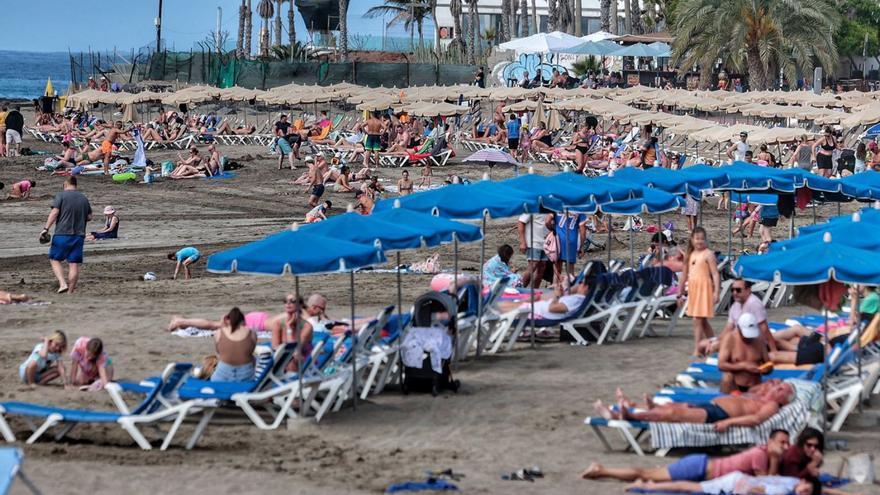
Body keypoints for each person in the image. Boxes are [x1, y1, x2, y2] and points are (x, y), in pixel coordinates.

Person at [582, 429, 791, 482]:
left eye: (787, 443)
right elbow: (768, 484)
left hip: (701, 466)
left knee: (650, 474)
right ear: (769, 442)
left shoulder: (762, 452)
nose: (785, 446)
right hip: (698, 469)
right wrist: (774, 458)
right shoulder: (760, 455)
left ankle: (602, 469)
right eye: (781, 442)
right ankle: (601, 470)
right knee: (645, 474)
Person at [594, 381, 795, 431]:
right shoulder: (761, 395)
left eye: (782, 390)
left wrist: (729, 423)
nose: (777, 388)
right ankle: (632, 405)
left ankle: (627, 416)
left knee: (674, 413)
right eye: (779, 386)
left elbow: (755, 420)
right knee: (675, 405)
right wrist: (768, 387)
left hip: (720, 415)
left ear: (784, 400)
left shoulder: (772, 407)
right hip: (713, 405)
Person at [43, 177, 92, 294]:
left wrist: (46, 228)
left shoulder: (61, 195)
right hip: (79, 235)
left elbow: (54, 212)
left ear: (65, 184)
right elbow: (89, 217)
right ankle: (70, 292)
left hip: (62, 233)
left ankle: (62, 283)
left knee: (54, 259)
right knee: (73, 264)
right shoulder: (83, 198)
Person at [701, 278, 774, 356]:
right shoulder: (736, 304)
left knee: (714, 347)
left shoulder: (754, 304)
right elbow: (728, 328)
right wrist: (716, 340)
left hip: (752, 341)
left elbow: (764, 329)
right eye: (732, 290)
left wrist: (773, 350)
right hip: (739, 339)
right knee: (703, 344)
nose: (735, 293)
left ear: (748, 290)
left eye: (738, 290)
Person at [679, 227, 720, 356]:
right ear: (692, 240)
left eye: (702, 239)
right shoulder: (690, 255)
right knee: (702, 320)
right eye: (697, 239)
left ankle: (697, 349)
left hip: (705, 288)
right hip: (693, 289)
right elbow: (684, 275)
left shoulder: (708, 254)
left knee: (697, 319)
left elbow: (715, 274)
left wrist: (716, 292)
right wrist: (679, 293)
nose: (699, 241)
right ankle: (715, 345)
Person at [718, 313, 773, 393]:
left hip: (754, 386)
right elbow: (721, 365)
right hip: (735, 386)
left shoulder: (759, 339)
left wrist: (765, 369)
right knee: (727, 378)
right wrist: (743, 366)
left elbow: (769, 364)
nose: (748, 339)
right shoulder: (730, 339)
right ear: (739, 329)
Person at [625, 473, 821, 495]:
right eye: (806, 490)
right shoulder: (784, 490)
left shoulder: (793, 482)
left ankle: (651, 485)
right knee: (689, 488)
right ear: (803, 482)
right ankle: (648, 486)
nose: (803, 493)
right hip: (733, 485)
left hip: (736, 480)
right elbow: (757, 490)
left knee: (691, 487)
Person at [210, 307, 257, 382]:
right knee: (254, 358)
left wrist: (222, 323)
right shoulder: (251, 333)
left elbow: (219, 352)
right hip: (245, 374)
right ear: (243, 320)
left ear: (228, 320)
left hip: (223, 373)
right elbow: (250, 352)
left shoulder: (219, 332)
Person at [270, 294, 314, 370]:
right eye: (285, 301)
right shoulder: (278, 324)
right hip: (282, 358)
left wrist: (289, 328)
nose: (288, 303)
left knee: (293, 358)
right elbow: (274, 347)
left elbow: (295, 349)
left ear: (300, 305)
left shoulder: (306, 326)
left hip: (300, 360)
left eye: (292, 301)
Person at [517, 212, 552, 289]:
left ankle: (534, 291)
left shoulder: (550, 208)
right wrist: (523, 242)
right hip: (533, 242)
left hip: (545, 243)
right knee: (533, 265)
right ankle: (520, 288)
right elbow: (521, 222)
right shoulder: (532, 208)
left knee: (542, 268)